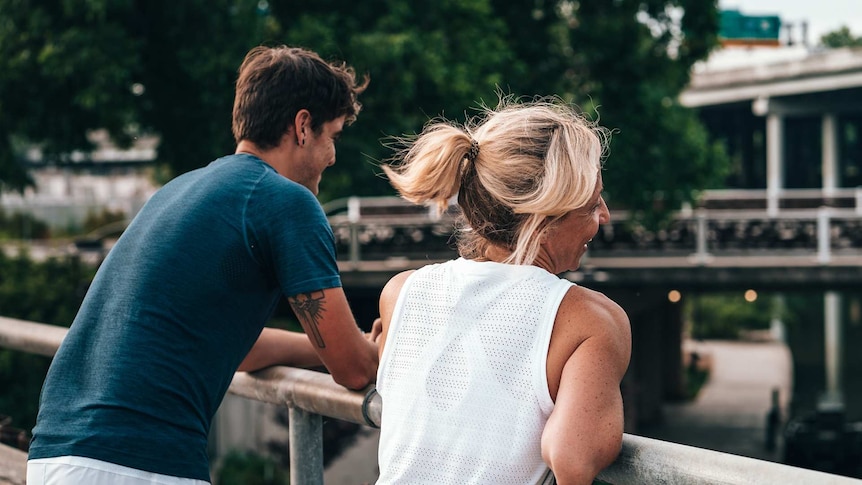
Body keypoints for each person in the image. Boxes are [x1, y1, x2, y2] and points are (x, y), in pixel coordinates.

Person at [27, 45, 379, 485]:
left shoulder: (180, 191)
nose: (332, 155)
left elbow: (240, 347)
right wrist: (373, 348)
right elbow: (355, 369)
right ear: (303, 126)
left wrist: (332, 344)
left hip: (55, 457)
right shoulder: (286, 202)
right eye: (334, 135)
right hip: (138, 464)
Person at [374, 97, 632, 485]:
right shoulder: (592, 321)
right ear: (547, 215)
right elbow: (571, 458)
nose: (605, 215)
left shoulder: (401, 292)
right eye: (593, 202)